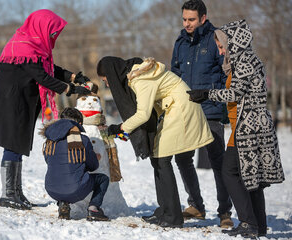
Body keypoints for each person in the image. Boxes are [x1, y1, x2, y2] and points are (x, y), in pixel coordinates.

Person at [0, 10, 91, 210]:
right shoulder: (24, 47)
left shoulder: (32, 47)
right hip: (8, 100)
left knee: (17, 145)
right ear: (42, 27)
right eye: (53, 32)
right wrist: (70, 89)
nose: (54, 36)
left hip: (17, 100)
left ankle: (16, 192)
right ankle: (8, 194)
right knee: (12, 144)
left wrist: (74, 77)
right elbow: (43, 77)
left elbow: (49, 69)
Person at [187, 19, 285, 238]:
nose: (221, 52)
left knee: (229, 171)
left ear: (233, 43)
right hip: (248, 126)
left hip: (248, 128)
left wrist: (206, 93)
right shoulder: (247, 60)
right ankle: (257, 225)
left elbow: (235, 93)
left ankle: (248, 223)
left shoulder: (244, 61)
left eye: (222, 47)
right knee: (251, 177)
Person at [97, 56, 214, 228]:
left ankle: (173, 216)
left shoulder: (139, 79)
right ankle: (164, 210)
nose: (107, 85)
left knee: (161, 159)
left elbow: (143, 114)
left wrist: (119, 128)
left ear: (112, 74)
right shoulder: (135, 74)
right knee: (157, 158)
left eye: (106, 80)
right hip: (173, 108)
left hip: (181, 109)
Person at [170, 0, 233, 227]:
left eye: (191, 19)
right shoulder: (180, 42)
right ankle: (196, 205)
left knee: (218, 161)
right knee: (182, 158)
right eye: (184, 19)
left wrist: (214, 97)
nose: (187, 23)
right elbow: (174, 76)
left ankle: (225, 212)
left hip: (211, 111)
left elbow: (228, 74)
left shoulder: (215, 40)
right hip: (186, 111)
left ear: (203, 18)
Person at [40, 107, 109, 221]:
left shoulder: (50, 141)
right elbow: (93, 166)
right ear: (79, 123)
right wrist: (93, 158)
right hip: (74, 189)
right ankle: (93, 209)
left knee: (63, 175)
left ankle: (63, 204)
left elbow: (49, 161)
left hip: (51, 189)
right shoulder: (82, 140)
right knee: (103, 179)